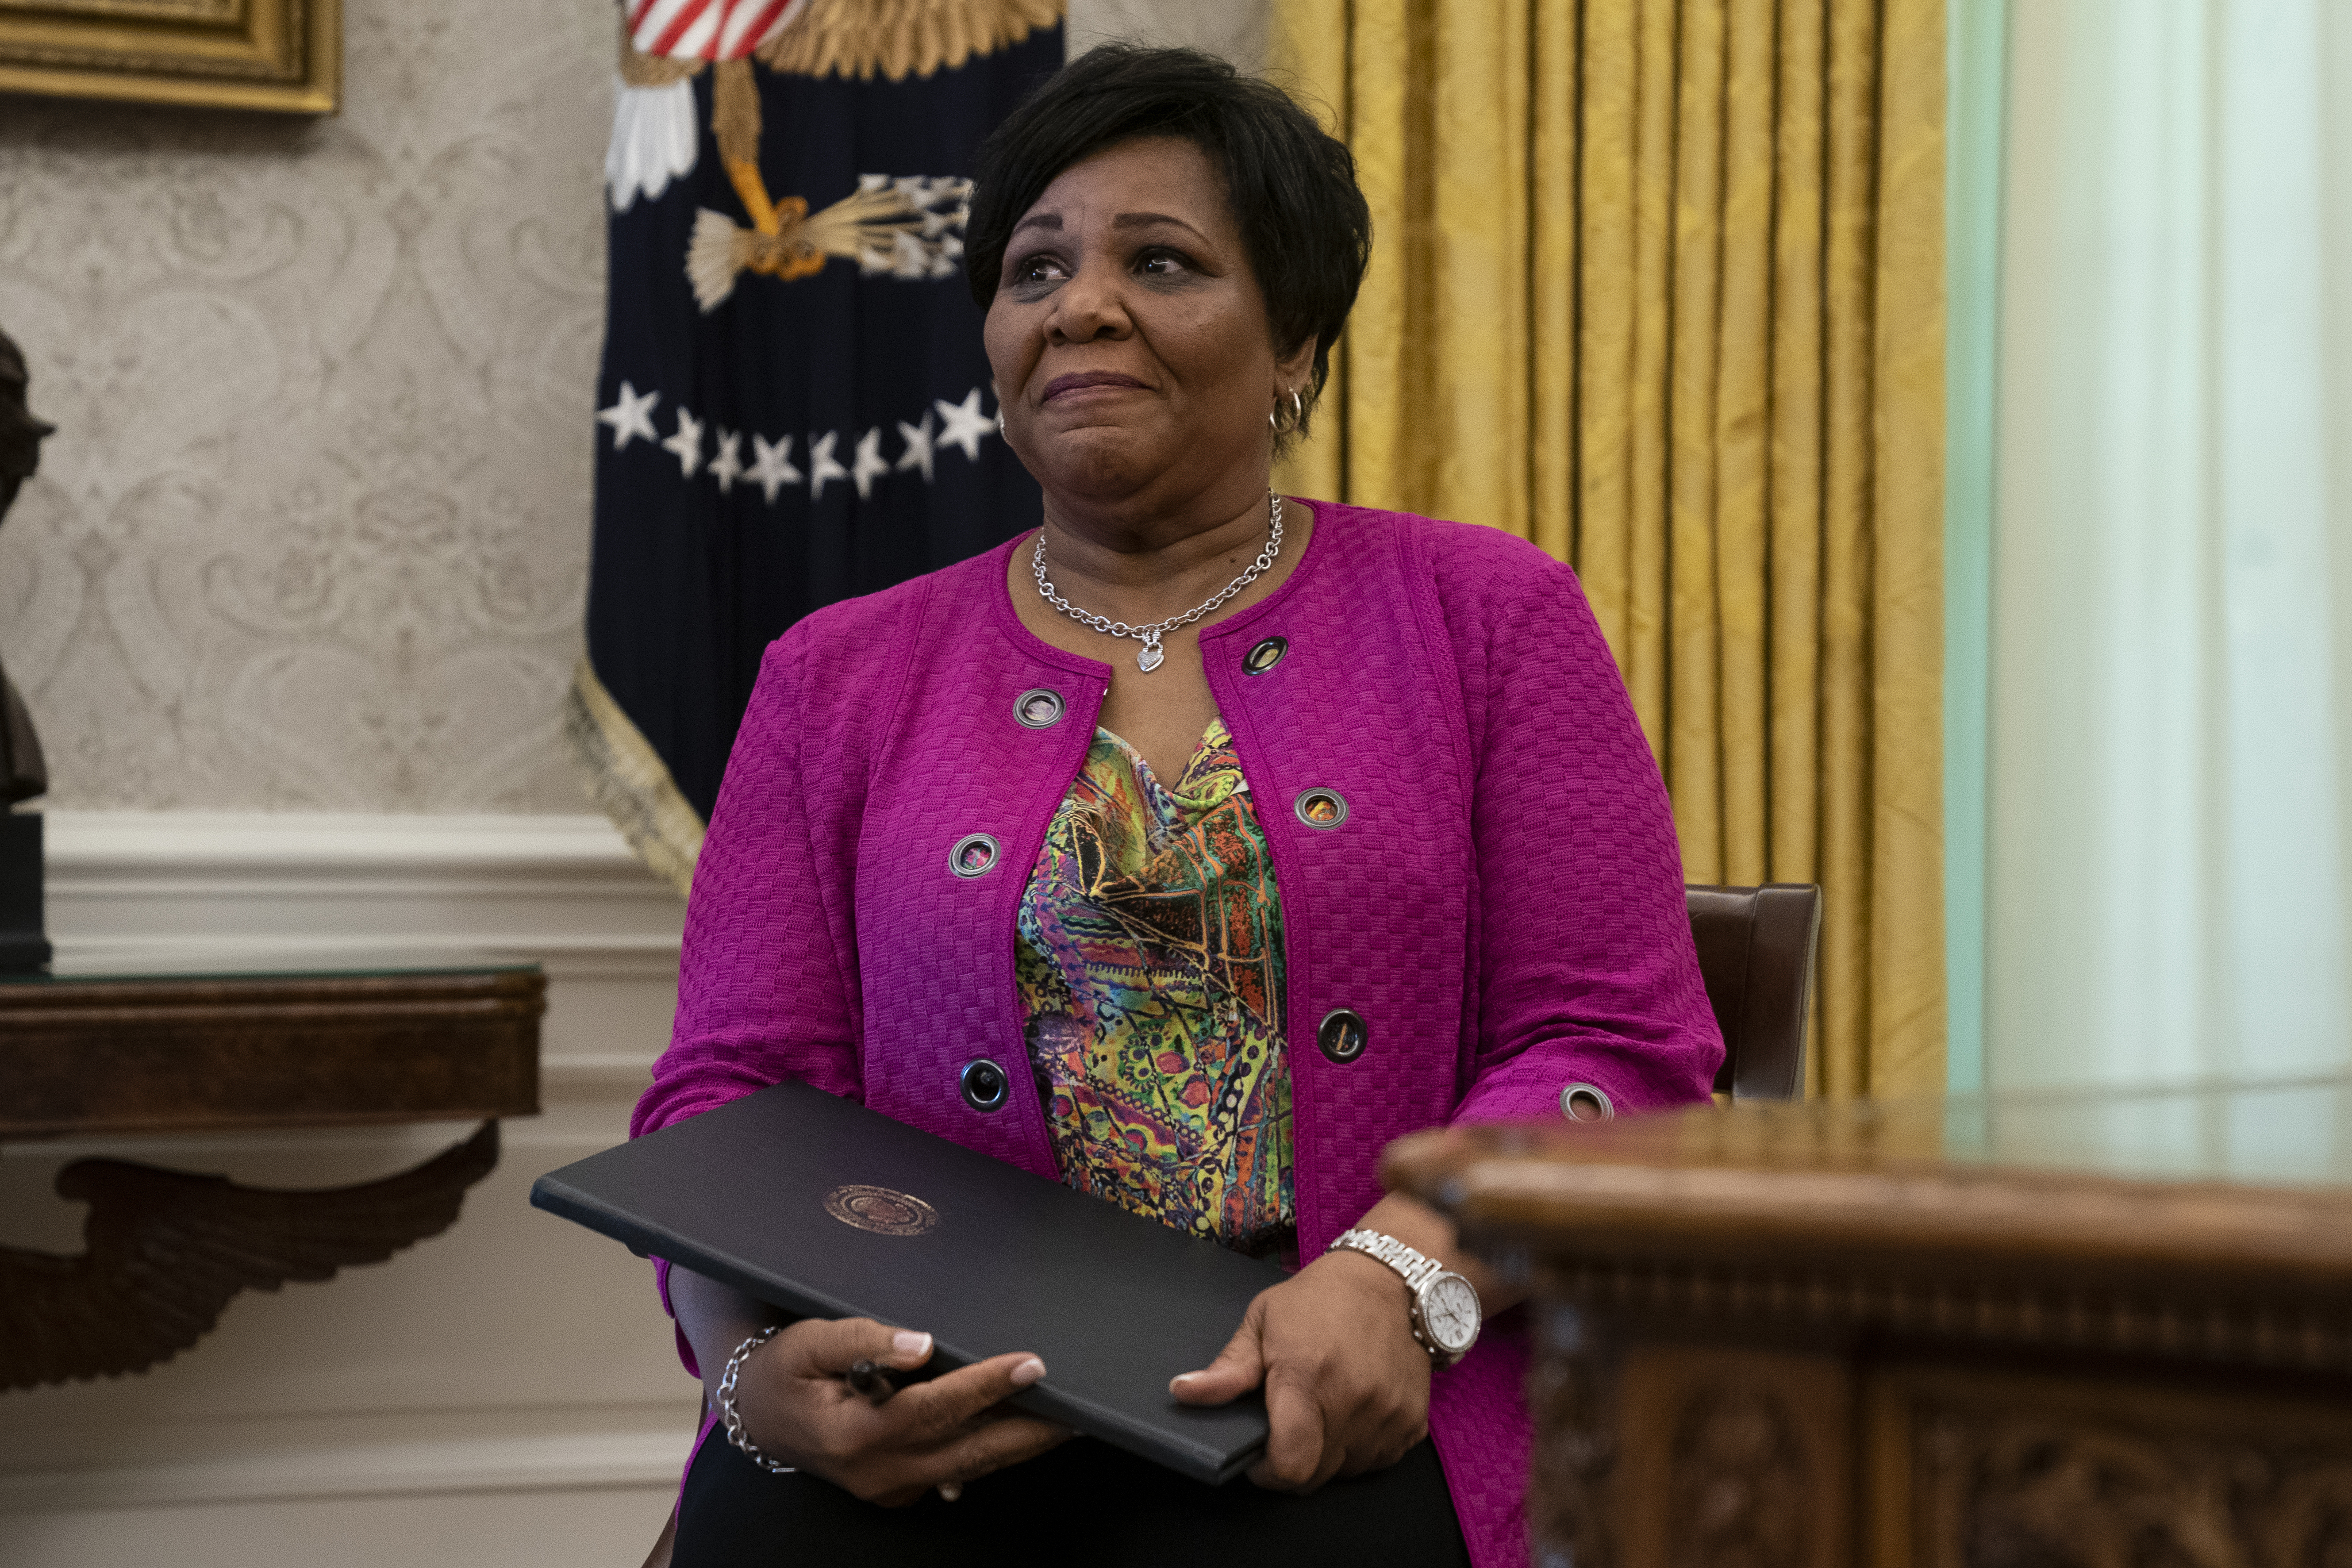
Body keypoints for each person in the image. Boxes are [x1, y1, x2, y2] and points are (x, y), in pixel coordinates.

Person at [632, 44, 1722, 1568]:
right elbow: (727, 1095)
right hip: (914, 1403)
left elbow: (1611, 1045)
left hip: (1335, 1401)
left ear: (1295, 343)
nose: (1080, 306)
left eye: (1161, 261)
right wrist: (753, 1374)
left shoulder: (1486, 616)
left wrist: (1393, 1282)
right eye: (1033, 271)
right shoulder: (838, 673)